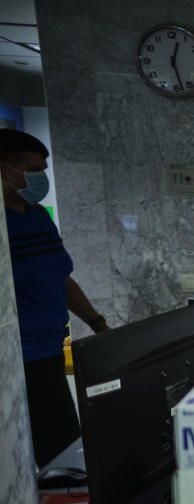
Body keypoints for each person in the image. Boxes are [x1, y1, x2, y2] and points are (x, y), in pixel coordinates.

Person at [1, 128, 110, 467]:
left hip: (47, 349)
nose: (41, 178)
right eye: (33, 170)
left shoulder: (36, 218)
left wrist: (97, 323)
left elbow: (60, 277)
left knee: (63, 444)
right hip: (17, 357)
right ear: (5, 170)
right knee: (50, 451)